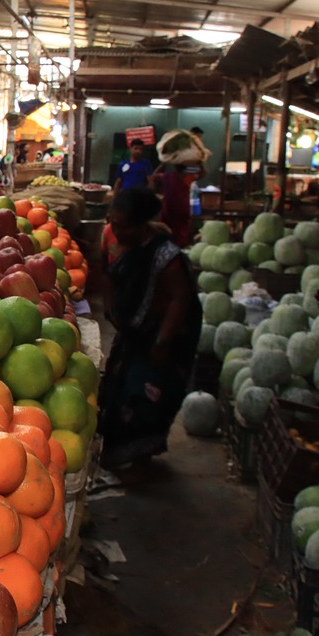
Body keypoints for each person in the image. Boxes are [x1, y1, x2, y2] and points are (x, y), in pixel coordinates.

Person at [99, 188, 201, 470]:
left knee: (146, 393)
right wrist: (110, 307)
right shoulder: (111, 237)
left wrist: (162, 342)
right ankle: (118, 452)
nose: (115, 229)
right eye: (112, 222)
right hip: (132, 330)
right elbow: (104, 271)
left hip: (161, 334)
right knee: (117, 387)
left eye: (122, 225)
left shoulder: (165, 255)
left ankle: (141, 460)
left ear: (140, 224)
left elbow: (181, 299)